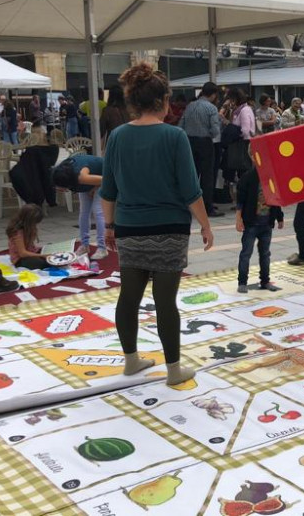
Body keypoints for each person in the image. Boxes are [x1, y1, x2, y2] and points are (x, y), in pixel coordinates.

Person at [101, 62, 213, 387]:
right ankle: (174, 369)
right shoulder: (174, 136)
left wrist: (109, 226)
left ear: (133, 102)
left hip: (129, 229)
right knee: (166, 303)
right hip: (170, 229)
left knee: (128, 297)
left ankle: (131, 360)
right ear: (164, 101)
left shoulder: (118, 137)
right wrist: (205, 225)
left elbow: (108, 190)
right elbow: (191, 190)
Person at [235, 160, 283, 293]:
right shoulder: (248, 177)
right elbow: (240, 200)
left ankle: (265, 280)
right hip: (251, 223)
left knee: (265, 254)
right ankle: (242, 282)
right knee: (246, 253)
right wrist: (238, 218)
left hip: (267, 223)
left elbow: (276, 198)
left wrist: (279, 217)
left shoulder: (272, 178)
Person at [179, 81, 223, 217]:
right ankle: (207, 206)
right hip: (205, 143)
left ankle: (188, 204)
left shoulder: (190, 106)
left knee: (192, 174)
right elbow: (215, 130)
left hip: (190, 142)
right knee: (207, 176)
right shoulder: (211, 108)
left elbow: (181, 125)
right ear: (214, 94)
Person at [51, 154, 108, 259]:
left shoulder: (81, 177)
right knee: (84, 212)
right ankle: (84, 245)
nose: (59, 190)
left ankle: (102, 248)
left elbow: (107, 179)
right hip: (89, 179)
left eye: (61, 187)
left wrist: (95, 187)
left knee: (98, 211)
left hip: (104, 175)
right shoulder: (64, 171)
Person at [6, 204, 49, 269]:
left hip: (31, 252)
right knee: (42, 263)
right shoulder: (17, 232)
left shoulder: (28, 228)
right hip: (20, 259)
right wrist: (42, 255)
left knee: (50, 249)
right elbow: (22, 253)